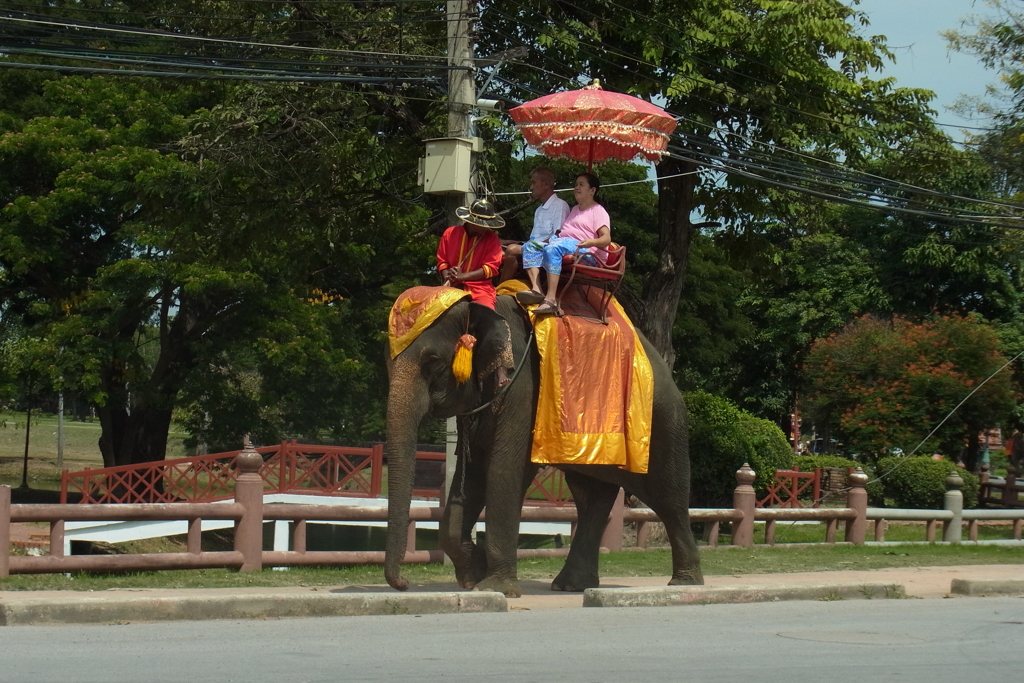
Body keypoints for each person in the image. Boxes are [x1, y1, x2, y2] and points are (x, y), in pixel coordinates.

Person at [516, 172, 611, 315]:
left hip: (587, 252)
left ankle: (551, 299)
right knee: (530, 246)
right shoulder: (575, 209)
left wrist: (591, 242)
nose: (576, 187)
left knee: (553, 247)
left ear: (592, 190)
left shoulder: (598, 211)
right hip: (565, 245)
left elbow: (606, 239)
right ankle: (537, 290)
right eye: (576, 184)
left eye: (581, 184)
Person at [499, 166, 570, 281]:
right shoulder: (539, 210)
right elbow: (534, 240)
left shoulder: (560, 205)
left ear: (546, 184)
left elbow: (557, 237)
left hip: (549, 249)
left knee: (511, 250)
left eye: (533, 182)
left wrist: (529, 245)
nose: (531, 187)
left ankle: (501, 288)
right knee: (499, 246)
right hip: (535, 246)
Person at [436, 198, 505, 309]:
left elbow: (490, 268)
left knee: (486, 313)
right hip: (451, 284)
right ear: (470, 221)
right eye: (482, 223)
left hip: (480, 289)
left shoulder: (492, 239)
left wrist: (462, 276)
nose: (485, 226)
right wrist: (448, 275)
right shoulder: (450, 233)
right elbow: (442, 261)